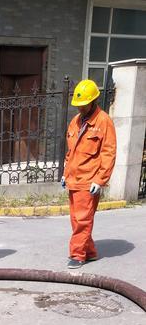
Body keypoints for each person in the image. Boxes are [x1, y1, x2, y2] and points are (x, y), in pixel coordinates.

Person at [62, 79, 116, 269]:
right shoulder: (76, 122)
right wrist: (65, 173)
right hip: (74, 180)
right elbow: (71, 152)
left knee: (83, 220)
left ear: (93, 101)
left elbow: (108, 153)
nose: (80, 109)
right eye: (78, 105)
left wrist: (100, 179)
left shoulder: (103, 122)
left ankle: (78, 255)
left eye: (83, 105)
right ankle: (90, 252)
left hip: (89, 180)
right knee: (76, 219)